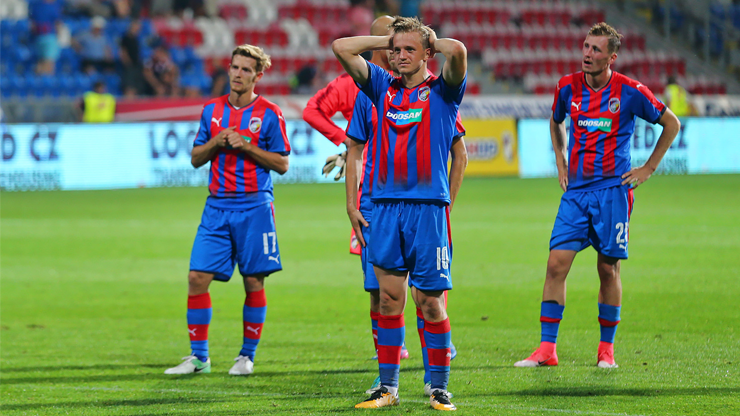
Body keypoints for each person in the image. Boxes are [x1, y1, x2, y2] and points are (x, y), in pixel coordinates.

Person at [513, 23, 680, 369]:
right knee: (556, 264)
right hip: (575, 193)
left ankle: (606, 350)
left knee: (608, 269)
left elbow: (672, 123)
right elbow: (555, 121)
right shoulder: (566, 87)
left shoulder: (631, 91)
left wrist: (648, 168)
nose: (587, 54)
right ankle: (547, 349)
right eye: (586, 47)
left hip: (612, 193)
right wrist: (560, 158)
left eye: (596, 50)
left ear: (611, 57)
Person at [333, 16, 468, 411]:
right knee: (390, 301)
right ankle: (388, 389)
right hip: (386, 208)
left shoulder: (443, 91)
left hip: (427, 210)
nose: (400, 56)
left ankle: (439, 388)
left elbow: (457, 50)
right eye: (395, 50)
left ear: (428, 53)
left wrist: (426, 41)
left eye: (410, 50)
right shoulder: (380, 87)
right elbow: (342, 47)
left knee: (430, 303)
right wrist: (391, 39)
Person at [164, 44, 291, 376]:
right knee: (196, 278)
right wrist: (216, 142)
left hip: (255, 207)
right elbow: (195, 158)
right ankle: (199, 358)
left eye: (246, 70)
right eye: (234, 67)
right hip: (217, 207)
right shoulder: (211, 110)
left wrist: (246, 146)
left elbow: (282, 164)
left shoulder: (270, 113)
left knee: (253, 282)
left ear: (257, 76)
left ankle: (246, 356)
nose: (238, 74)